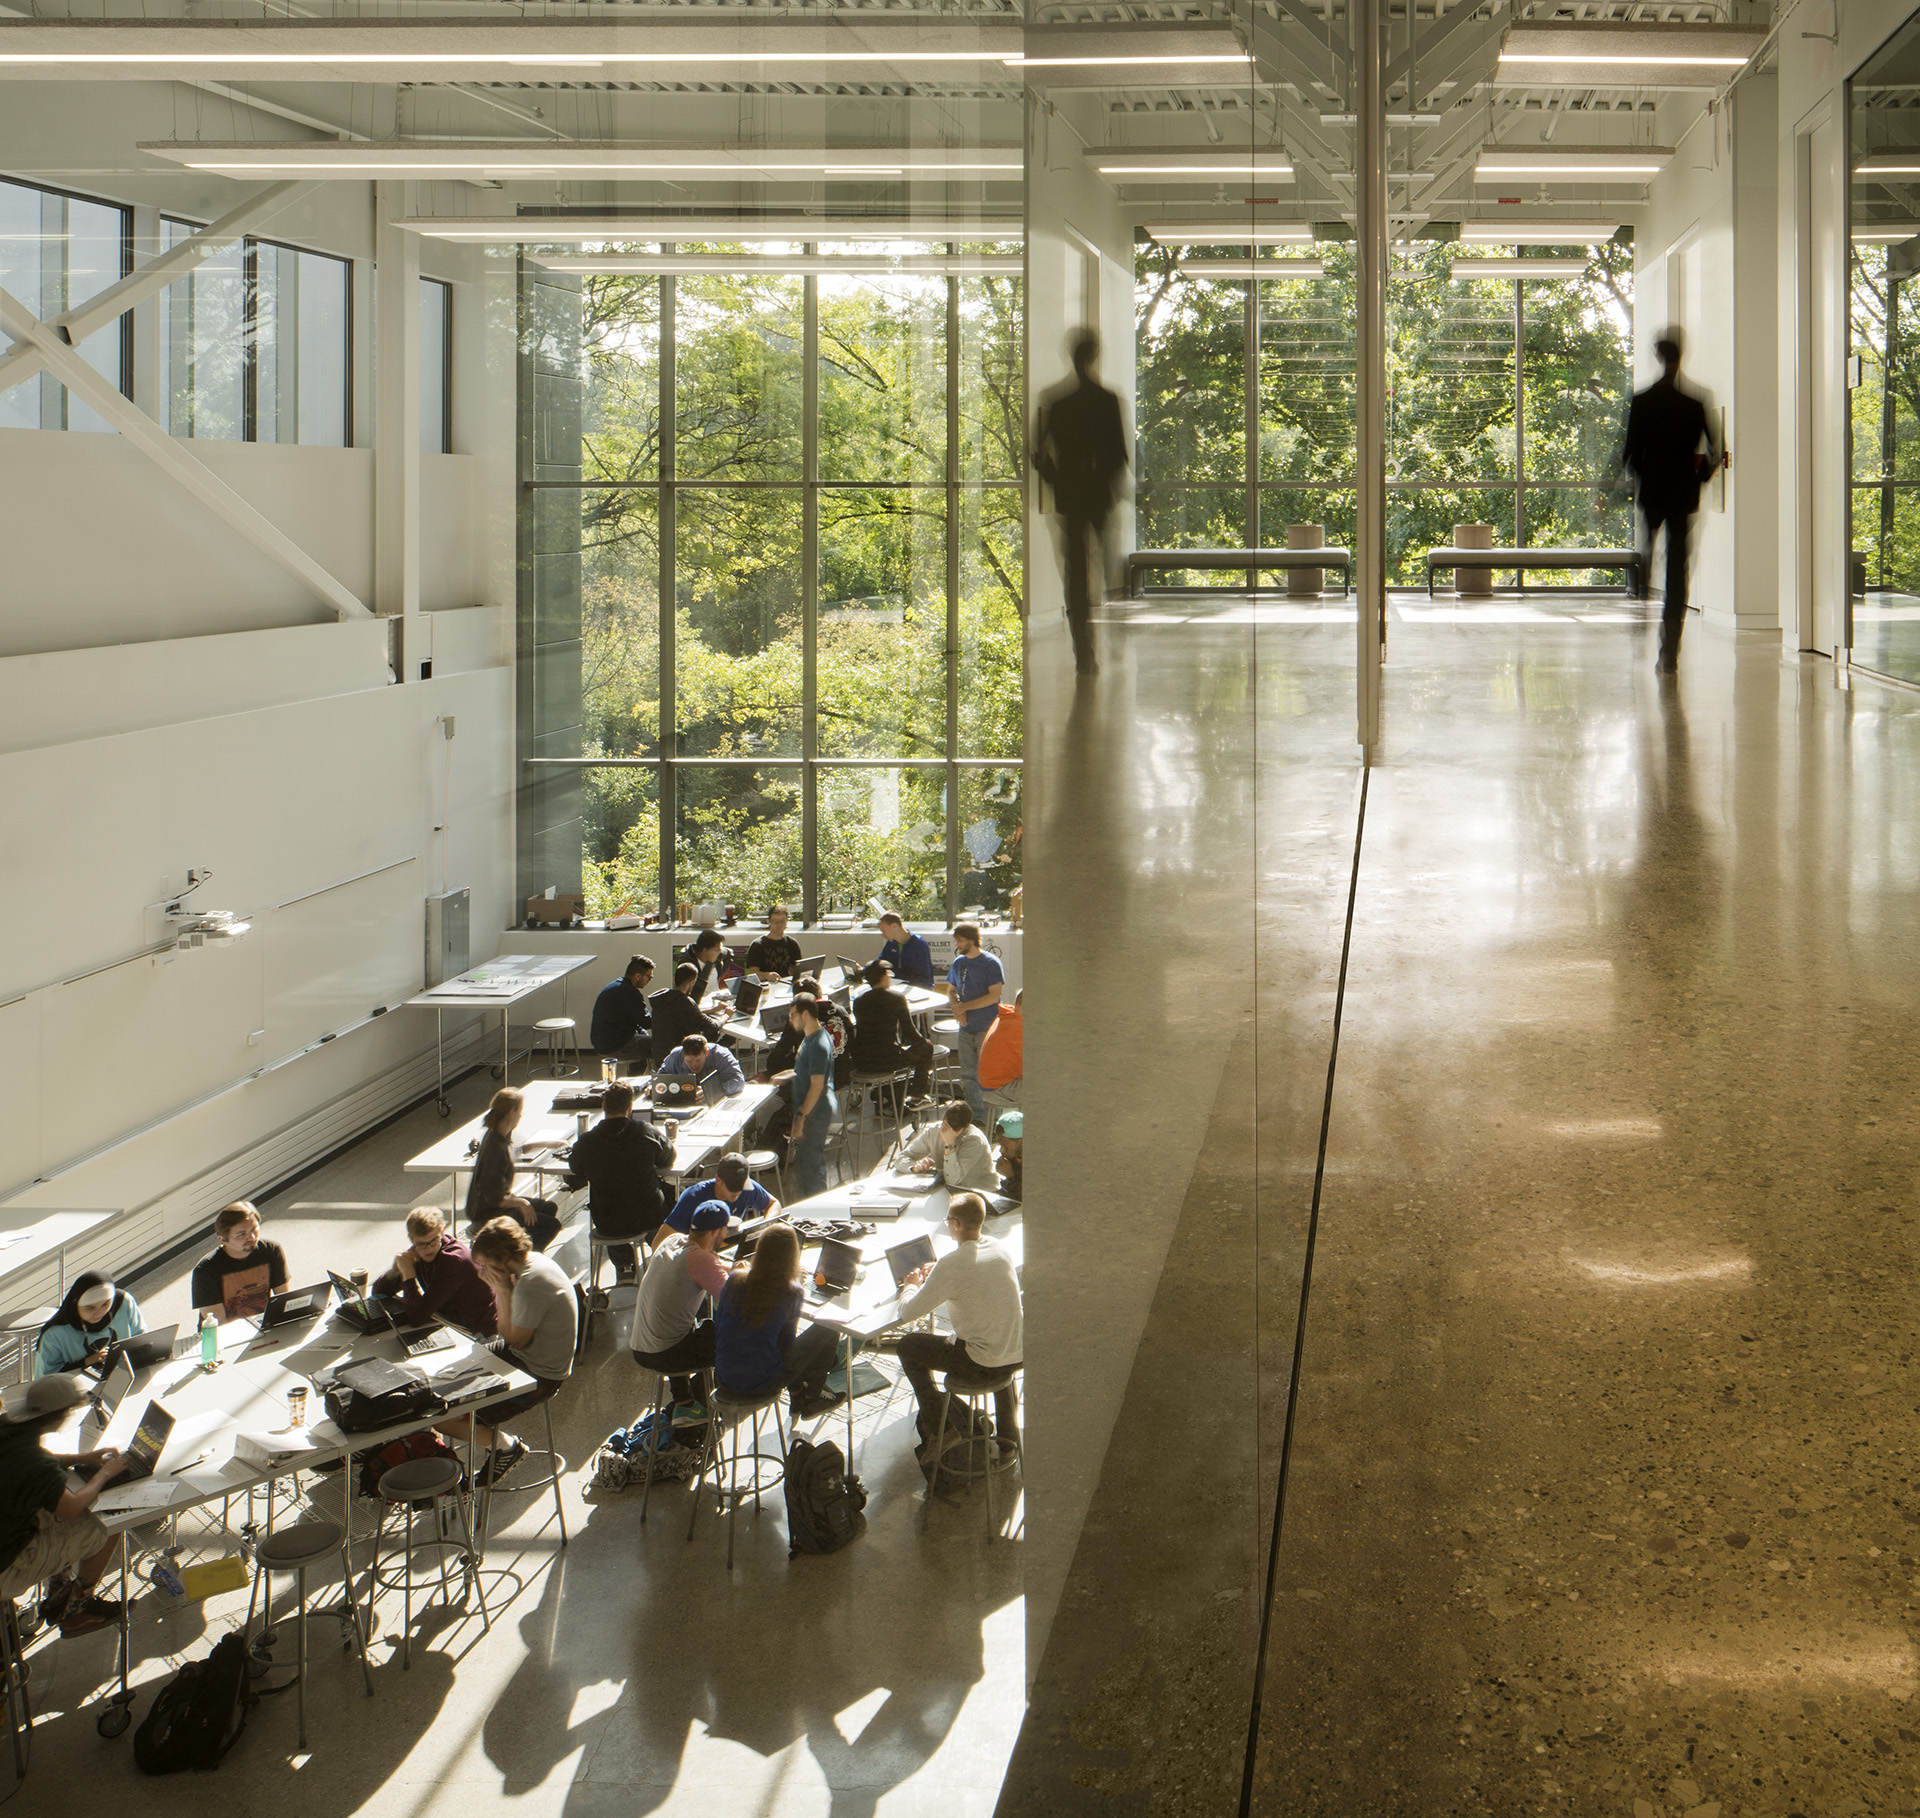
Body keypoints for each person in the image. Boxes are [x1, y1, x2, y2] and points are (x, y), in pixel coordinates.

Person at [1616, 329, 1719, 673]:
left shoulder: (1643, 401)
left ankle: (1642, 607)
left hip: (1654, 493)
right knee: (1678, 570)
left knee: (1650, 553)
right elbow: (1713, 453)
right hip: (1682, 495)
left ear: (1658, 357)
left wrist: (1646, 473)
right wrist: (1698, 477)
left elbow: (1630, 452)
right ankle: (1669, 648)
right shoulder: (1695, 403)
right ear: (1681, 356)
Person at [892, 1192, 1023, 1457]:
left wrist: (910, 1286)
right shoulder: (999, 1248)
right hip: (1018, 1353)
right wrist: (938, 1272)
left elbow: (908, 1313)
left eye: (948, 1220)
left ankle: (942, 1424)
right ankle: (1009, 1440)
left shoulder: (951, 1265)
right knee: (995, 1346)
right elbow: (971, 1275)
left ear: (957, 1225)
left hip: (980, 1363)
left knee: (907, 1346)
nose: (947, 1224)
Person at [0, 1374, 131, 1636]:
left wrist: (81, 1458)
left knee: (53, 1518)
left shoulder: (7, 1429)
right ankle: (76, 1612)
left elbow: (29, 1463)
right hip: (6, 1568)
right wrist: (104, 1474)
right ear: (64, 1414)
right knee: (105, 1526)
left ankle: (59, 1594)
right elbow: (71, 1509)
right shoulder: (37, 1464)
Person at [1032, 329, 1129, 676]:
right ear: (1094, 356)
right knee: (1102, 563)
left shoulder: (1058, 404)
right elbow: (1119, 455)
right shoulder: (1106, 401)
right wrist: (1105, 482)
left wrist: (1060, 480)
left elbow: (1039, 457)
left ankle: (1083, 652)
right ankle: (1108, 635)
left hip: (1071, 496)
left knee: (1076, 571)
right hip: (1097, 495)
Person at [454, 1218, 578, 1485]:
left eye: (485, 1265)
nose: (480, 1272)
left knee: (442, 1411)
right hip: (527, 1355)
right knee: (456, 1367)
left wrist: (501, 1289)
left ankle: (504, 1447)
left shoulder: (530, 1282)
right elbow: (506, 1334)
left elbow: (513, 1339)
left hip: (539, 1374)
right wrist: (505, 1289)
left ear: (501, 1260)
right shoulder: (532, 1261)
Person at [713, 1223, 843, 1422]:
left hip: (723, 1378)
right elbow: (786, 1346)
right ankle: (813, 1396)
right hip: (762, 1384)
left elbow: (720, 1325)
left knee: (766, 1344)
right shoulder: (792, 1291)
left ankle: (799, 1393)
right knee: (829, 1327)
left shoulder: (735, 1278)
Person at [563, 1081, 674, 1277]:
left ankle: (625, 1268)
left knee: (613, 1207)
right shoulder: (645, 1132)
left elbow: (574, 1170)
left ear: (603, 1106)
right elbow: (668, 1157)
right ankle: (664, 1260)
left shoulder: (587, 1142)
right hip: (647, 1216)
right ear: (630, 1108)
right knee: (664, 1200)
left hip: (608, 1222)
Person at [630, 1200, 732, 1410]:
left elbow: (707, 1268)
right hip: (666, 1355)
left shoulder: (672, 1241)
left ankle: (684, 1401)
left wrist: (727, 1267)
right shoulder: (700, 1260)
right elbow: (737, 1298)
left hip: (640, 1348)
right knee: (728, 1333)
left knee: (691, 1324)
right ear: (716, 1232)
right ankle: (709, 1402)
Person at [371, 1207, 497, 1335]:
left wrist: (408, 1274)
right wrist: (394, 1271)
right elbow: (378, 1293)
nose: (428, 1249)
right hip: (451, 1321)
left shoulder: (453, 1261)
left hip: (479, 1333)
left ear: (442, 1231)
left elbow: (416, 1318)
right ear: (411, 1238)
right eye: (421, 1243)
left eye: (434, 1240)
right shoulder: (416, 1253)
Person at [465, 1087, 561, 1252]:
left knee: (549, 1208)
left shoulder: (499, 1134)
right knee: (551, 1226)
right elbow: (492, 1197)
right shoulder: (495, 1149)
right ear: (511, 1112)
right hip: (489, 1213)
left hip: (497, 1204)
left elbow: (516, 1149)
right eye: (519, 1111)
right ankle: (522, 1259)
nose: (520, 1116)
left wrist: (548, 1143)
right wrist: (522, 1203)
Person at [944, 923, 1005, 1122]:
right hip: (965, 1029)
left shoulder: (991, 963)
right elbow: (951, 990)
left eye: (960, 940)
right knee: (968, 1076)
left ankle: (994, 1119)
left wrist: (964, 1007)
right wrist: (956, 1007)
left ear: (971, 940)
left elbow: (994, 996)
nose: (957, 944)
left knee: (989, 1074)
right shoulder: (959, 963)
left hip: (986, 1028)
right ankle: (977, 1117)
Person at [190, 1201, 290, 1321]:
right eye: (241, 1234)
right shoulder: (206, 1270)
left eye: (254, 1229)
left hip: (262, 1325)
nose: (252, 1237)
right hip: (226, 1334)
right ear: (222, 1240)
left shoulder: (272, 1250)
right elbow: (217, 1323)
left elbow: (284, 1300)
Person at [850, 960, 934, 1101]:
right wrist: (924, 1041)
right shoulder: (897, 999)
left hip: (862, 1061)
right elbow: (910, 1033)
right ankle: (917, 1096)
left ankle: (887, 1090)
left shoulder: (859, 1001)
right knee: (926, 1048)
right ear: (883, 977)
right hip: (887, 1060)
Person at [34, 1273, 145, 1377]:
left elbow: (141, 1339)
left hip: (125, 1373)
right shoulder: (54, 1334)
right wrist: (87, 1362)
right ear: (75, 1304)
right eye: (90, 1307)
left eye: (105, 1304)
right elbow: (48, 1378)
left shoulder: (124, 1302)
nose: (99, 1312)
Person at [657, 1153, 779, 1247]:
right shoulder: (694, 1196)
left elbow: (774, 1204)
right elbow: (659, 1242)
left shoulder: (749, 1188)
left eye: (741, 1187)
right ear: (718, 1180)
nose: (737, 1192)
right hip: (697, 1254)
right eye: (732, 1188)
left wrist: (766, 1227)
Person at [789, 997, 839, 1201]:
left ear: (805, 1014)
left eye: (792, 1015)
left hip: (815, 1112)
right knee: (807, 1163)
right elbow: (808, 1071)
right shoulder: (811, 1037)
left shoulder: (818, 1044)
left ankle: (817, 1212)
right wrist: (787, 1074)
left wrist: (801, 1117)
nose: (790, 1020)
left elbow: (817, 1085)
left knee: (811, 1167)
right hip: (812, 1110)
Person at [900, 1102, 998, 1192]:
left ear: (965, 1127)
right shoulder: (933, 1131)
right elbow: (902, 1157)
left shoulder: (974, 1140)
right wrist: (913, 1167)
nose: (948, 1132)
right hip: (946, 1190)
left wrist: (949, 1144)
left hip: (979, 1191)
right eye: (946, 1126)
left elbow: (953, 1180)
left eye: (955, 1129)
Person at [650, 961, 730, 1055]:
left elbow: (688, 1013)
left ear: (674, 980)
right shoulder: (685, 1002)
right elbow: (712, 1026)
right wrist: (727, 1015)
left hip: (660, 1056)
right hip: (683, 1058)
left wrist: (712, 1010)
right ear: (691, 982)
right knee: (724, 1036)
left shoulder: (663, 998)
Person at [589, 955, 655, 1069]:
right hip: (615, 1046)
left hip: (601, 1043)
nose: (650, 979)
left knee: (643, 1043)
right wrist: (665, 1015)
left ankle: (634, 1081)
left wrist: (642, 1031)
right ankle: (662, 1083)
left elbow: (630, 1019)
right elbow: (646, 1022)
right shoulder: (630, 993)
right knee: (662, 1044)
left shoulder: (617, 986)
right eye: (649, 976)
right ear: (637, 976)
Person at [651, 1034, 745, 1108]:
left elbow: (738, 1082)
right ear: (683, 1055)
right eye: (689, 1061)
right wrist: (652, 1087)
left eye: (698, 1060)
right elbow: (660, 1078)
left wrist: (712, 1092)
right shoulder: (675, 1055)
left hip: (715, 1105)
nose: (694, 1065)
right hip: (682, 1107)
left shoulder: (721, 1055)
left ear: (706, 1053)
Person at [977, 985, 1023, 1113]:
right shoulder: (1014, 1027)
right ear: (1021, 1006)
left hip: (992, 1084)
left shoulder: (1008, 1016)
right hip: (997, 1089)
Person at [877, 912, 935, 990]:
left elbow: (924, 976)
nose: (882, 935)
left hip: (916, 989)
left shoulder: (919, 944)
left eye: (884, 931)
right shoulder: (891, 943)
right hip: (896, 986)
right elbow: (881, 963)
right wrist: (864, 969)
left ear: (894, 926)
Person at [745, 905, 802, 981]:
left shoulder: (792, 944)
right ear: (769, 922)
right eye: (775, 921)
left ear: (787, 922)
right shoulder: (758, 945)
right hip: (766, 986)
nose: (779, 924)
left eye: (782, 921)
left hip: (787, 985)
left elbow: (799, 969)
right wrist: (767, 975)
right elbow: (752, 974)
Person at [685, 929, 728, 1002]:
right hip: (700, 1007)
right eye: (716, 950)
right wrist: (709, 965)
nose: (719, 953)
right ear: (705, 950)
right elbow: (692, 1000)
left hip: (717, 1002)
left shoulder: (719, 957)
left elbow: (728, 953)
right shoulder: (688, 965)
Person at [994, 1111, 1024, 1201]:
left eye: (1005, 1145)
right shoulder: (1014, 1156)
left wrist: (1011, 1176)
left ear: (1021, 1141)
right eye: (1000, 1145)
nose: (1001, 1150)